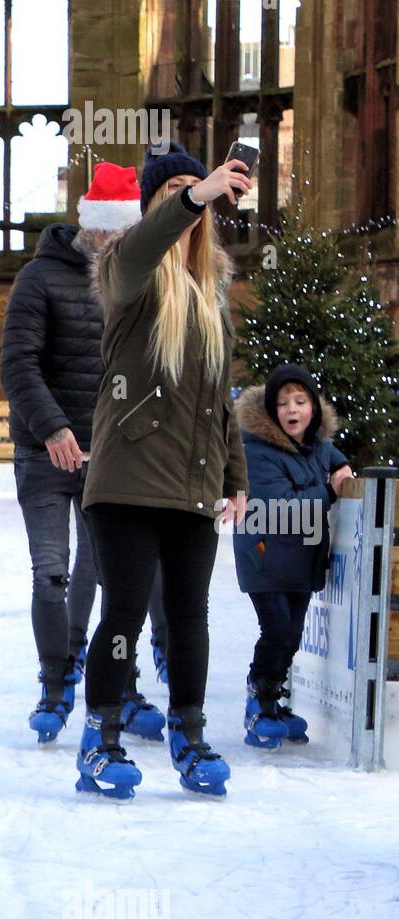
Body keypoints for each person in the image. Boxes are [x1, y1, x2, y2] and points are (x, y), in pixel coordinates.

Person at [76, 143, 252, 799]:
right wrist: (197, 193)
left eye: (201, 184)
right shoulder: (125, 268)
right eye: (178, 188)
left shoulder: (211, 292)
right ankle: (104, 735)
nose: (197, 193)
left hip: (194, 483)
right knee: (122, 614)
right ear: (155, 203)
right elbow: (150, 241)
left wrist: (234, 475)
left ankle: (190, 730)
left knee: (189, 617)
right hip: (126, 480)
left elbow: (219, 394)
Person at [0, 162, 166, 746]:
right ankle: (55, 679)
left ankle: (118, 682)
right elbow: (17, 363)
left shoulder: (144, 280)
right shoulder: (39, 279)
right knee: (52, 573)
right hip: (45, 451)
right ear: (87, 223)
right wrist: (52, 429)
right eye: (108, 233)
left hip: (115, 455)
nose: (115, 243)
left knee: (109, 577)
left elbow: (157, 369)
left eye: (125, 234)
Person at [233, 364, 354, 748]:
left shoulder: (317, 448)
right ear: (271, 411)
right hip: (264, 556)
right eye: (283, 403)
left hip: (301, 560)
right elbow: (283, 508)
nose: (292, 410)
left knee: (292, 635)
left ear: (314, 409)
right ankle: (259, 700)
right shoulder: (258, 451)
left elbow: (333, 459)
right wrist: (331, 492)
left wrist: (342, 469)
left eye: (301, 401)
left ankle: (274, 698)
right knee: (277, 630)